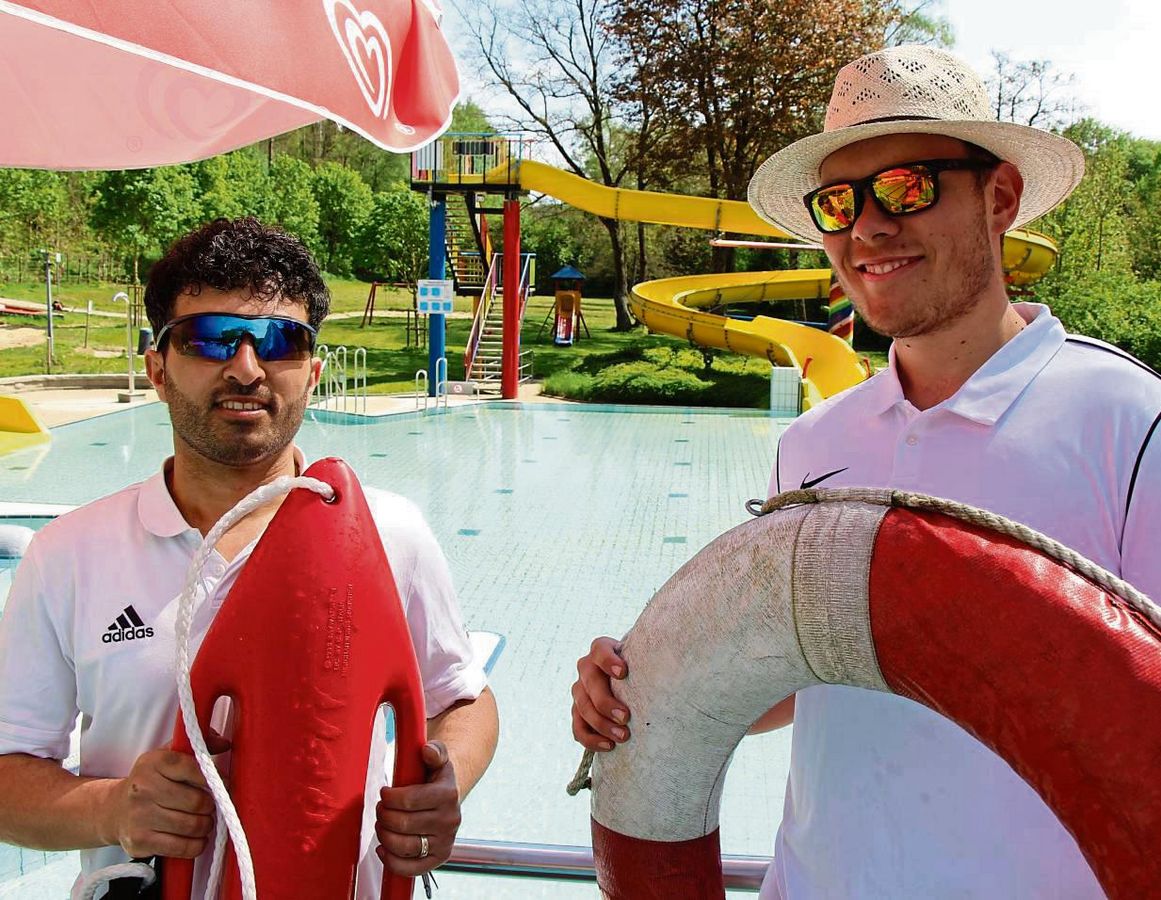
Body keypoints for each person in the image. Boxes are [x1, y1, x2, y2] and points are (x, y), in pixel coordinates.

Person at [572, 45, 1161, 898]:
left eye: (908, 187)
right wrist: (642, 685)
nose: (869, 227)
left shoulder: (1129, 422)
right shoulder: (812, 441)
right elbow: (801, 670)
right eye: (839, 202)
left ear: (998, 198)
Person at [0, 217, 499, 898]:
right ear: (157, 366)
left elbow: (462, 697)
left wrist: (446, 782)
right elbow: (8, 772)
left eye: (279, 341)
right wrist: (112, 807)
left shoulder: (390, 531)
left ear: (313, 371)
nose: (245, 367)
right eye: (209, 339)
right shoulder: (70, 555)